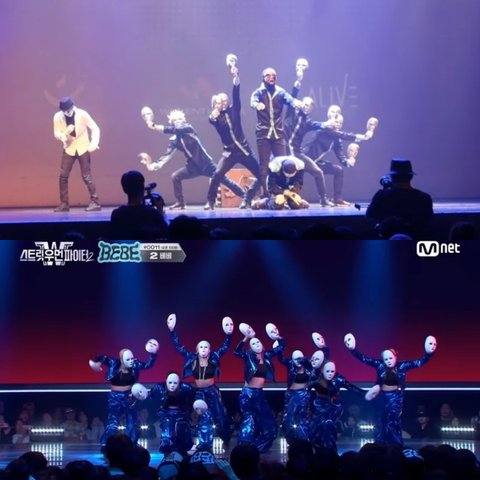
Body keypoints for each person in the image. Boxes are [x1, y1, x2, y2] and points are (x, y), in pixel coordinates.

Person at [344, 332, 437, 447]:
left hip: (396, 397)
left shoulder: (402, 366)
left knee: (393, 421)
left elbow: (419, 362)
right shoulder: (379, 365)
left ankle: (396, 446)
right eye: (386, 359)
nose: (388, 360)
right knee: (380, 421)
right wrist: (353, 350)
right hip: (381, 397)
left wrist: (428, 354)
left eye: (390, 358)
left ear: (395, 357)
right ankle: (380, 446)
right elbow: (364, 359)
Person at [139, 109, 245, 209]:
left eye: (180, 119)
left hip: (206, 164)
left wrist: (155, 126)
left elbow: (177, 129)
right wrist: (152, 166)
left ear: (184, 120)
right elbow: (167, 156)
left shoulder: (188, 128)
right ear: (172, 122)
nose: (178, 121)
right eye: (175, 120)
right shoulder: (174, 140)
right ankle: (180, 202)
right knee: (175, 176)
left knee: (225, 181)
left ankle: (246, 197)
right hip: (192, 167)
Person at [167, 313, 233, 448]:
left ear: (210, 350)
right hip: (200, 392)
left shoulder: (214, 357)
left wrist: (229, 335)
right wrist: (172, 332)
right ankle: (205, 444)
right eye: (201, 347)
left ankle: (226, 438)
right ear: (197, 350)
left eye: (206, 346)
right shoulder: (192, 358)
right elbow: (178, 346)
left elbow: (225, 347)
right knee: (205, 416)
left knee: (220, 416)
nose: (203, 349)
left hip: (212, 391)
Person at [205, 55, 260, 210]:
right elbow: (211, 119)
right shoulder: (216, 117)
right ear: (215, 104)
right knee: (217, 175)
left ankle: (247, 198)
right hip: (229, 153)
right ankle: (210, 202)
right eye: (219, 101)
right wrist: (213, 115)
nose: (223, 103)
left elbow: (236, 91)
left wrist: (235, 76)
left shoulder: (234, 109)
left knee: (261, 175)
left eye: (224, 100)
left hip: (244, 150)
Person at [88, 338, 158, 449]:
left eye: (132, 358)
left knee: (132, 420)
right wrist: (97, 364)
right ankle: (107, 443)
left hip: (129, 397)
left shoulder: (135, 364)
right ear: (121, 360)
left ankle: (131, 443)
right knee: (113, 421)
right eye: (128, 359)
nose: (131, 361)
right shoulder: (113, 363)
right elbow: (101, 357)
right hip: (114, 397)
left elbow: (148, 365)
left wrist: (153, 354)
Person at [284, 60, 336, 206]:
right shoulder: (291, 112)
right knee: (272, 170)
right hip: (283, 151)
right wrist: (299, 80)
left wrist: (328, 123)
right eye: (305, 104)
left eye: (310, 106)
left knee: (317, 172)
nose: (307, 107)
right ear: (301, 103)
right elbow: (293, 95)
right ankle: (269, 197)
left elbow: (319, 125)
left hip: (297, 153)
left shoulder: (307, 122)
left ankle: (323, 199)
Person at [234, 322, 285, 453]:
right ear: (250, 348)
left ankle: (255, 449)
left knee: (270, 427)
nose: (257, 344)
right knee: (249, 422)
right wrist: (246, 338)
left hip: (259, 394)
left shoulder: (267, 356)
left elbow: (280, 348)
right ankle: (243, 450)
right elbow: (237, 352)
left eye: (258, 342)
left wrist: (279, 338)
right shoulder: (248, 356)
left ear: (262, 345)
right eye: (253, 343)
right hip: (248, 394)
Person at [250, 67, 303, 194]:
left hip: (278, 134)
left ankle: (281, 191)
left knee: (282, 163)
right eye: (268, 75)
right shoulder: (259, 92)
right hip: (263, 134)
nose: (271, 77)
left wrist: (294, 102)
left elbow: (289, 99)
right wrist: (257, 105)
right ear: (263, 77)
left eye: (274, 75)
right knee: (264, 165)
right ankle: (265, 193)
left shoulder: (280, 92)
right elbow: (253, 101)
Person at [302, 112, 370, 206]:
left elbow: (340, 155)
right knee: (316, 173)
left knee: (338, 170)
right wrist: (362, 137)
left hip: (316, 162)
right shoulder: (325, 129)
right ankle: (321, 199)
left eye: (341, 123)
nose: (338, 124)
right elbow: (343, 135)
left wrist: (348, 162)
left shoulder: (336, 139)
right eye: (336, 122)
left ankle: (337, 198)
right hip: (305, 159)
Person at [52, 96, 101, 212]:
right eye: (65, 111)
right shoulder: (58, 117)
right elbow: (56, 133)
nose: (67, 113)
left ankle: (95, 202)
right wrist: (64, 134)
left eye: (69, 110)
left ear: (73, 107)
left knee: (86, 176)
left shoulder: (82, 114)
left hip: (83, 147)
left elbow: (95, 128)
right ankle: (64, 204)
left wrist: (94, 143)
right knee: (63, 176)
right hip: (69, 148)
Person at [366, 158, 434, 238]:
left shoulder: (381, 196)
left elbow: (369, 216)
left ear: (392, 176)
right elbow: (428, 224)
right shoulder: (424, 198)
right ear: (411, 176)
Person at [132, 372, 195, 455]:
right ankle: (167, 450)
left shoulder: (186, 388)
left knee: (181, 431)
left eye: (175, 383)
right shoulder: (159, 388)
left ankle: (182, 450)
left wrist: (192, 412)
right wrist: (140, 396)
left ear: (179, 382)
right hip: (166, 414)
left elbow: (194, 399)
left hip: (181, 414)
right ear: (166, 381)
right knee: (167, 432)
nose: (172, 385)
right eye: (170, 382)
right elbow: (149, 396)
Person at [308, 360, 364, 452]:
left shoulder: (338, 379)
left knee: (328, 424)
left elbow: (351, 387)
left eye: (332, 371)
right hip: (319, 407)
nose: (330, 373)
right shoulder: (317, 379)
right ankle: (319, 450)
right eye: (327, 371)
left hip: (334, 407)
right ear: (322, 370)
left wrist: (365, 393)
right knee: (318, 430)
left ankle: (331, 450)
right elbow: (307, 389)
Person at [110, 170, 168, 239]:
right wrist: (160, 211)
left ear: (124, 189)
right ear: (143, 188)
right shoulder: (152, 213)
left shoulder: (117, 214)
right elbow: (166, 232)